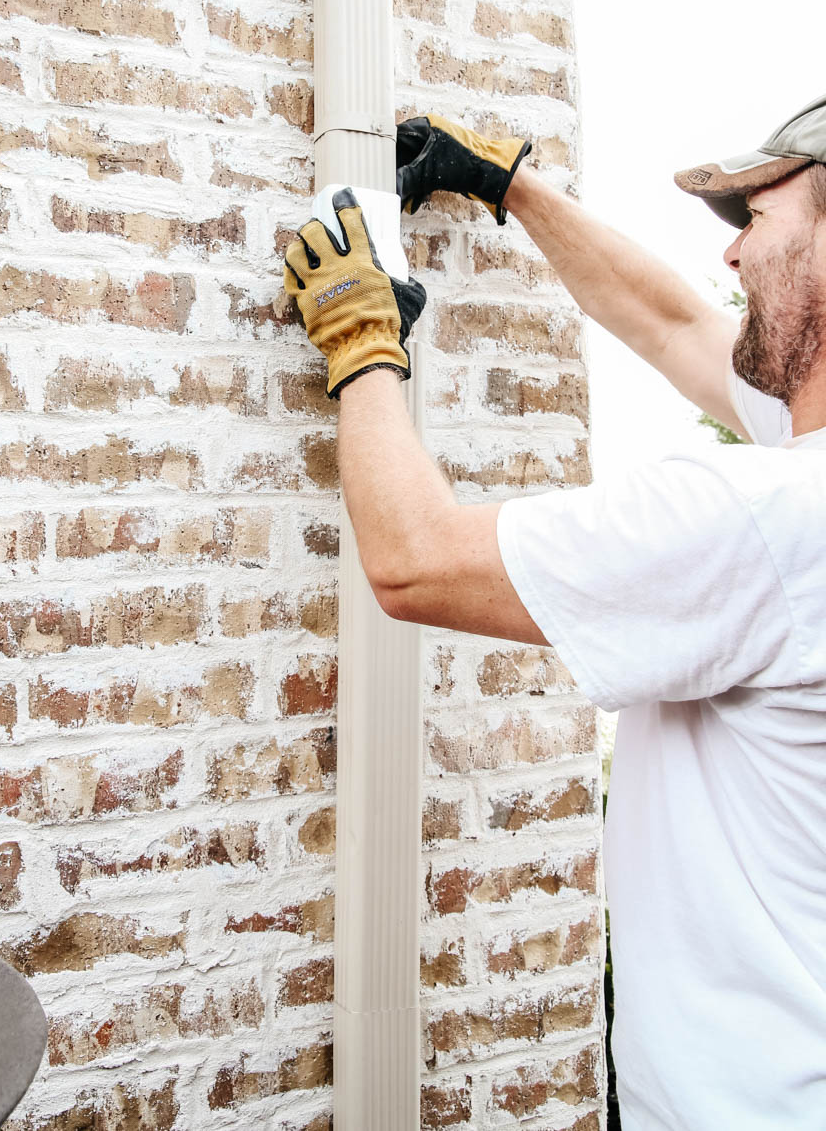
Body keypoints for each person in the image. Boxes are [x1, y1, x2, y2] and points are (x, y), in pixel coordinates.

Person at [283, 98, 826, 1131]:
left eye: (756, 220)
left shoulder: (771, 520)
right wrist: (511, 187)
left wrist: (360, 341)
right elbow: (670, 326)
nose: (732, 260)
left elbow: (414, 560)